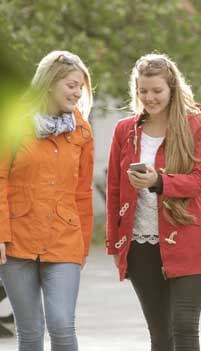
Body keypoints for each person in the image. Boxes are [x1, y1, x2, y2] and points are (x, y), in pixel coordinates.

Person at [105, 53, 201, 351]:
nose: (149, 98)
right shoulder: (124, 130)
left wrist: (159, 182)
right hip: (141, 244)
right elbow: (115, 190)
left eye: (157, 91)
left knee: (183, 325)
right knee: (159, 332)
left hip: (189, 238)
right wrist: (114, 242)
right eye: (143, 91)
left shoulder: (198, 125)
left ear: (172, 89)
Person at [0, 50, 94, 350]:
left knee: (61, 325)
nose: (77, 92)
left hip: (64, 240)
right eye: (71, 84)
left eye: (81, 86)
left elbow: (83, 191)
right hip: (17, 241)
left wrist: (83, 245)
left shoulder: (82, 132)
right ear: (50, 83)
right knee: (30, 331)